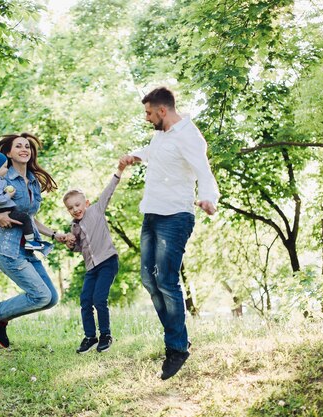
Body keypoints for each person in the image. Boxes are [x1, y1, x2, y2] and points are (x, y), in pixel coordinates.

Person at [119, 87, 219, 380]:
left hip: (175, 216)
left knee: (166, 279)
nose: (147, 118)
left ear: (162, 111)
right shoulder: (161, 134)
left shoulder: (189, 136)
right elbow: (155, 153)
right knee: (149, 279)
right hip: (152, 212)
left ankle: (176, 347)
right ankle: (177, 336)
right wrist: (135, 156)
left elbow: (204, 170)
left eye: (149, 113)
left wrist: (209, 198)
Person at [0, 133, 71, 349]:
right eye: (18, 146)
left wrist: (54, 235)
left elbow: (30, 218)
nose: (24, 149)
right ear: (8, 153)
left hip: (28, 248)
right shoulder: (0, 178)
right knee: (40, 295)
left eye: (27, 146)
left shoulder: (33, 182)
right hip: (8, 250)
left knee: (51, 298)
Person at [62, 162, 126, 354]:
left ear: (86, 203)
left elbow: (109, 190)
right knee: (85, 300)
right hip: (91, 267)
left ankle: (106, 335)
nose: (75, 209)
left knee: (99, 299)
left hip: (107, 261)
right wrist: (71, 244)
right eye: (70, 208)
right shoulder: (74, 227)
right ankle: (90, 336)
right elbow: (80, 248)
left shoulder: (97, 210)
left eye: (78, 204)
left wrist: (120, 170)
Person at [0, 150, 44, 251]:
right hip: (1, 209)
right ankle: (30, 241)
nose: (7, 170)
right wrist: (8, 195)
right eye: (4, 167)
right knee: (25, 218)